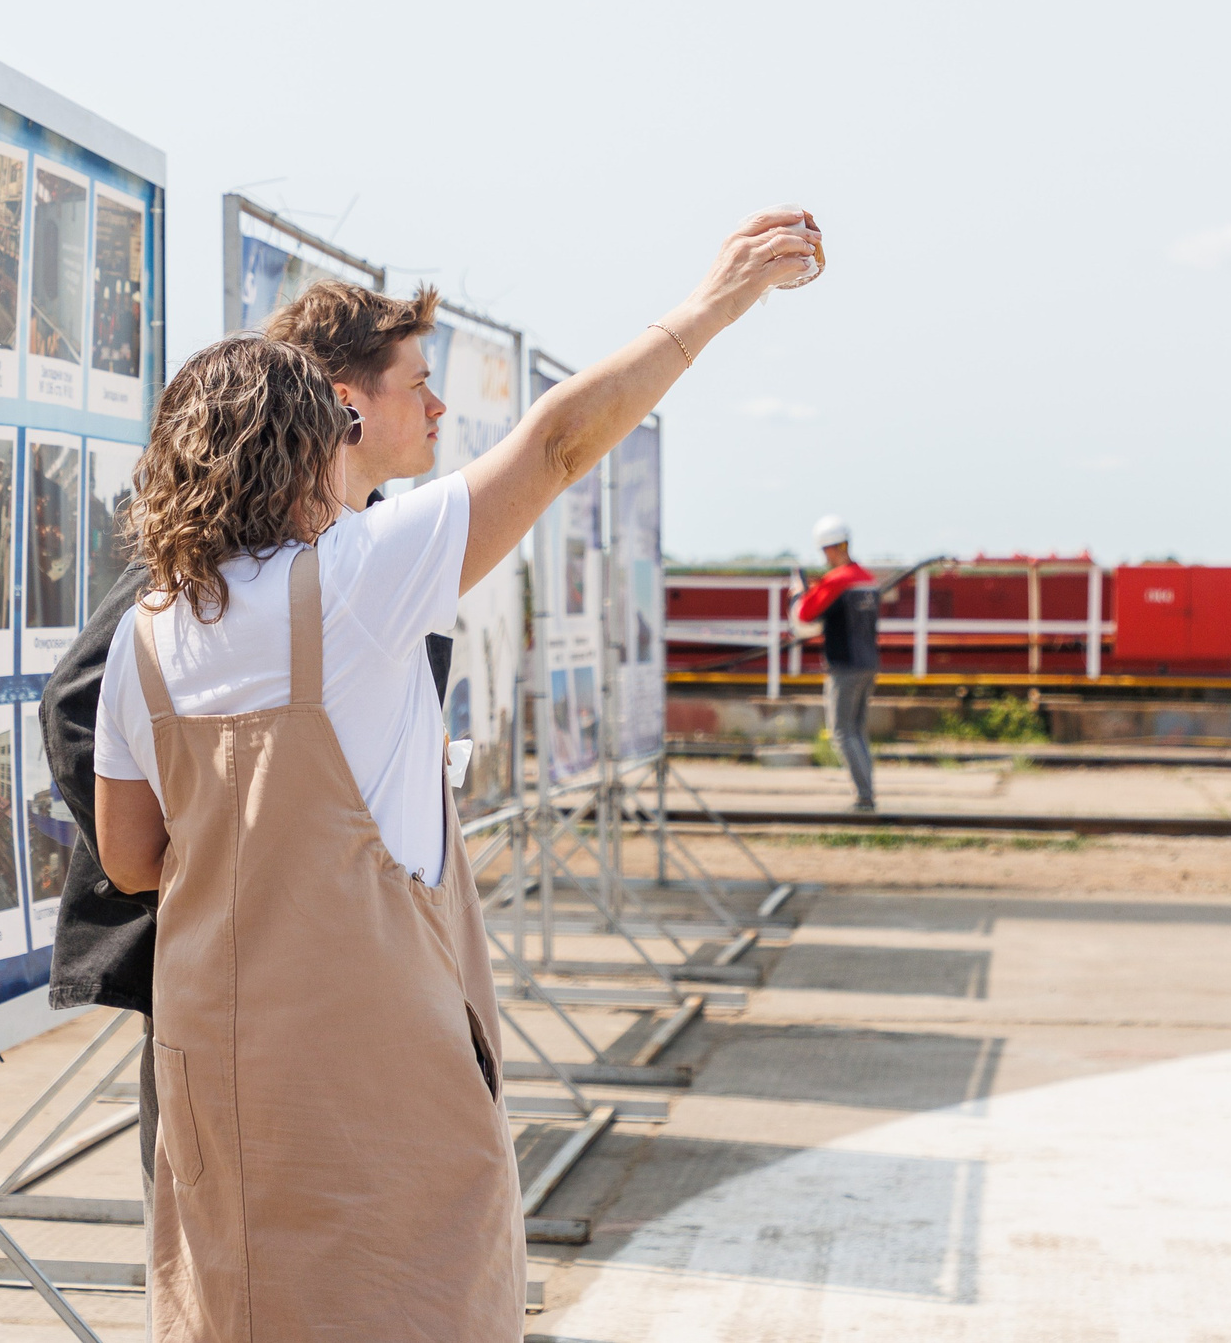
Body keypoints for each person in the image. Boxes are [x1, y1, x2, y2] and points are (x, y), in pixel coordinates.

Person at [93, 210, 820, 1340]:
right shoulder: (354, 576)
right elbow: (557, 444)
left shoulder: (146, 629)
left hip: (211, 1035)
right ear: (310, 443)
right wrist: (714, 302)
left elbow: (132, 857)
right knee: (415, 1285)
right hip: (362, 1028)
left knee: (236, 1295)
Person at [40, 279, 456, 1187]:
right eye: (419, 383)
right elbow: (77, 700)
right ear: (345, 404)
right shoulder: (220, 564)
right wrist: (221, 869)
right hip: (237, 969)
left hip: (358, 964)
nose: (439, 408)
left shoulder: (370, 542)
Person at [796, 514, 880, 812]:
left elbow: (804, 614)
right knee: (857, 730)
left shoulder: (836, 581)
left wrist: (800, 593)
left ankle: (865, 798)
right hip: (868, 663)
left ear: (829, 549)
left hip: (844, 666)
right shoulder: (867, 579)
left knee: (842, 731)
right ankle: (867, 791)